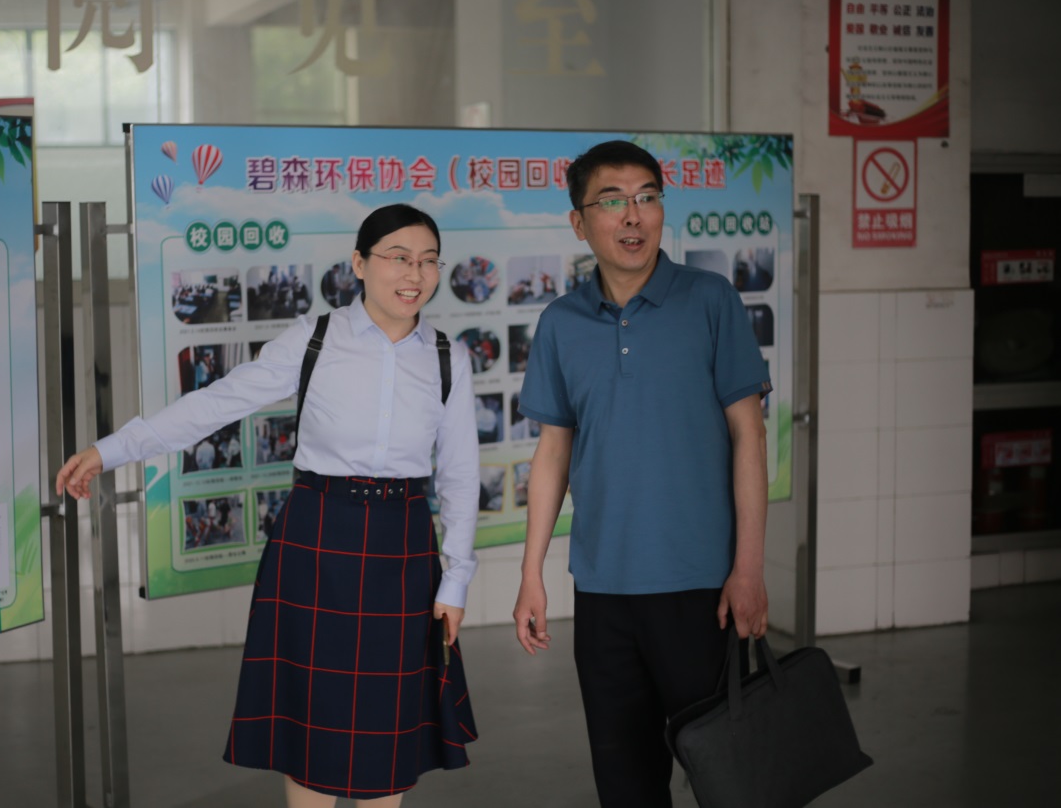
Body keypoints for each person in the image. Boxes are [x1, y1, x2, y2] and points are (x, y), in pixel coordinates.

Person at [57, 204, 481, 807]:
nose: (415, 274)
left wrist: (456, 578)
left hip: (404, 546)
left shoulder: (446, 356)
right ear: (359, 264)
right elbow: (216, 403)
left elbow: (460, 475)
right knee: (311, 711)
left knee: (390, 721)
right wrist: (111, 450)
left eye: (429, 261)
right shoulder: (314, 339)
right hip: (316, 535)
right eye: (398, 257)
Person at [512, 141, 771, 807]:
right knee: (624, 780)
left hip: (701, 585)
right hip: (603, 589)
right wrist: (531, 573)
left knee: (727, 778)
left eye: (647, 197)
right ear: (579, 222)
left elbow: (749, 435)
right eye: (612, 201)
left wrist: (747, 568)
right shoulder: (561, 323)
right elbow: (552, 452)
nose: (634, 216)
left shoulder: (710, 301)